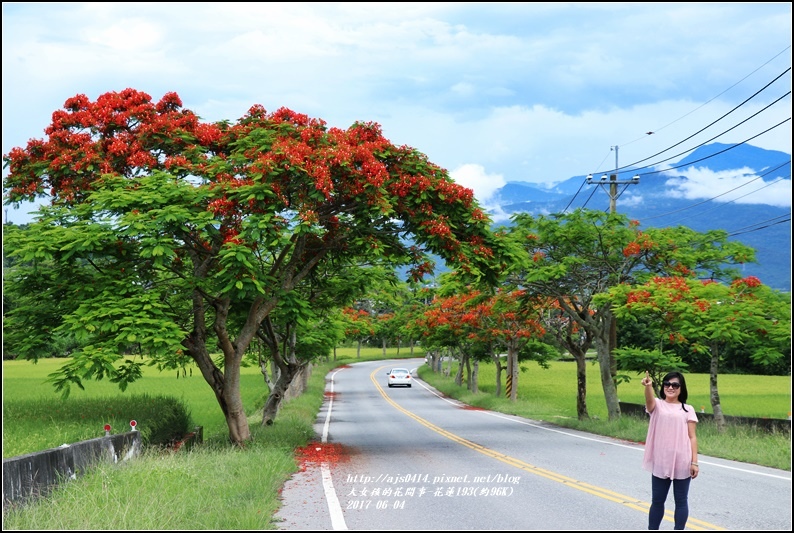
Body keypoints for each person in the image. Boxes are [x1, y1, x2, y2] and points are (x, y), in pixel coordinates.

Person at [640, 370, 699, 530]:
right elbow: (649, 401)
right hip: (661, 461)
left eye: (675, 385)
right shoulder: (657, 405)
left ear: (681, 388)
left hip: (682, 461)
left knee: (681, 501)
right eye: (667, 384)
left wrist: (694, 462)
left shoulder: (688, 409)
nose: (670, 387)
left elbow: (692, 437)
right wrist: (648, 386)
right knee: (657, 501)